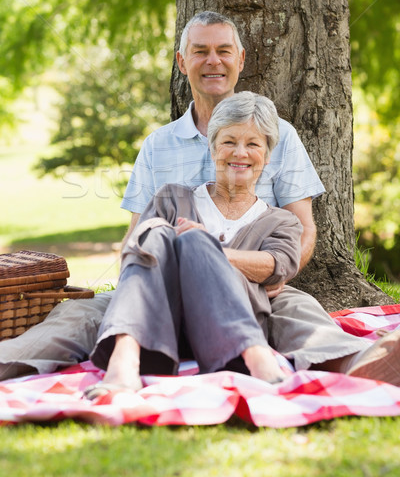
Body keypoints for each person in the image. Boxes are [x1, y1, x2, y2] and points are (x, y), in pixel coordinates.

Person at [1, 11, 398, 385]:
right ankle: (8, 362)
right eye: (201, 51)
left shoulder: (280, 134)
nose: (214, 61)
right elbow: (137, 234)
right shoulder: (158, 145)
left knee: (299, 310)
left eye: (224, 51)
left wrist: (278, 274)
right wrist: (140, 282)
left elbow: (302, 227)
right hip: (162, 275)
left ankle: (358, 364)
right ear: (181, 61)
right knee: (81, 313)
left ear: (240, 59)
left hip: (250, 279)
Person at [85, 93, 398, 398]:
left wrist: (209, 249)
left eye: (252, 144)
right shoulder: (172, 197)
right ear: (212, 148)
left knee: (200, 242)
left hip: (225, 328)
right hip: (164, 324)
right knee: (152, 232)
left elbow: (280, 265)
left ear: (267, 155)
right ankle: (122, 362)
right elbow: (137, 253)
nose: (240, 153)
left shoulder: (280, 221)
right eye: (229, 142)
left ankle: (341, 360)